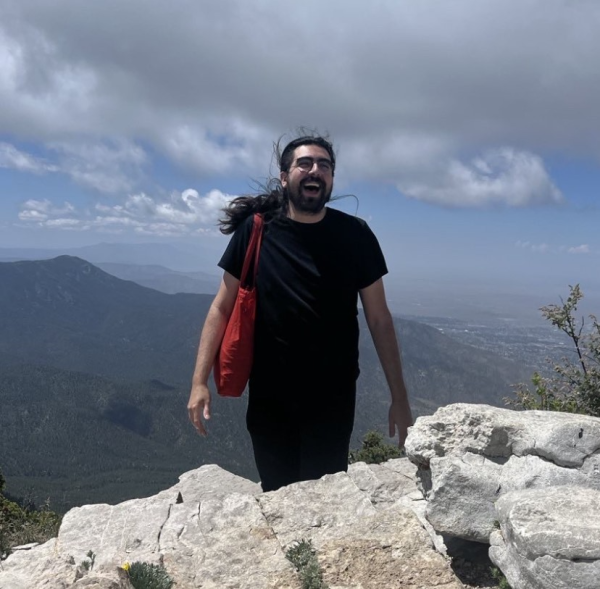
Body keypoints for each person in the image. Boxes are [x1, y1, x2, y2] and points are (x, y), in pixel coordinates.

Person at [187, 134, 412, 492]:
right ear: (284, 176)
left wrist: (399, 397)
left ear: (332, 178)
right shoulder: (257, 230)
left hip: (333, 395)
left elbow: (379, 319)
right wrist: (199, 381)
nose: (315, 170)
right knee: (278, 491)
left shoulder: (356, 235)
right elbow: (221, 306)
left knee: (324, 493)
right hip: (270, 393)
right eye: (304, 163)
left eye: (324, 165)